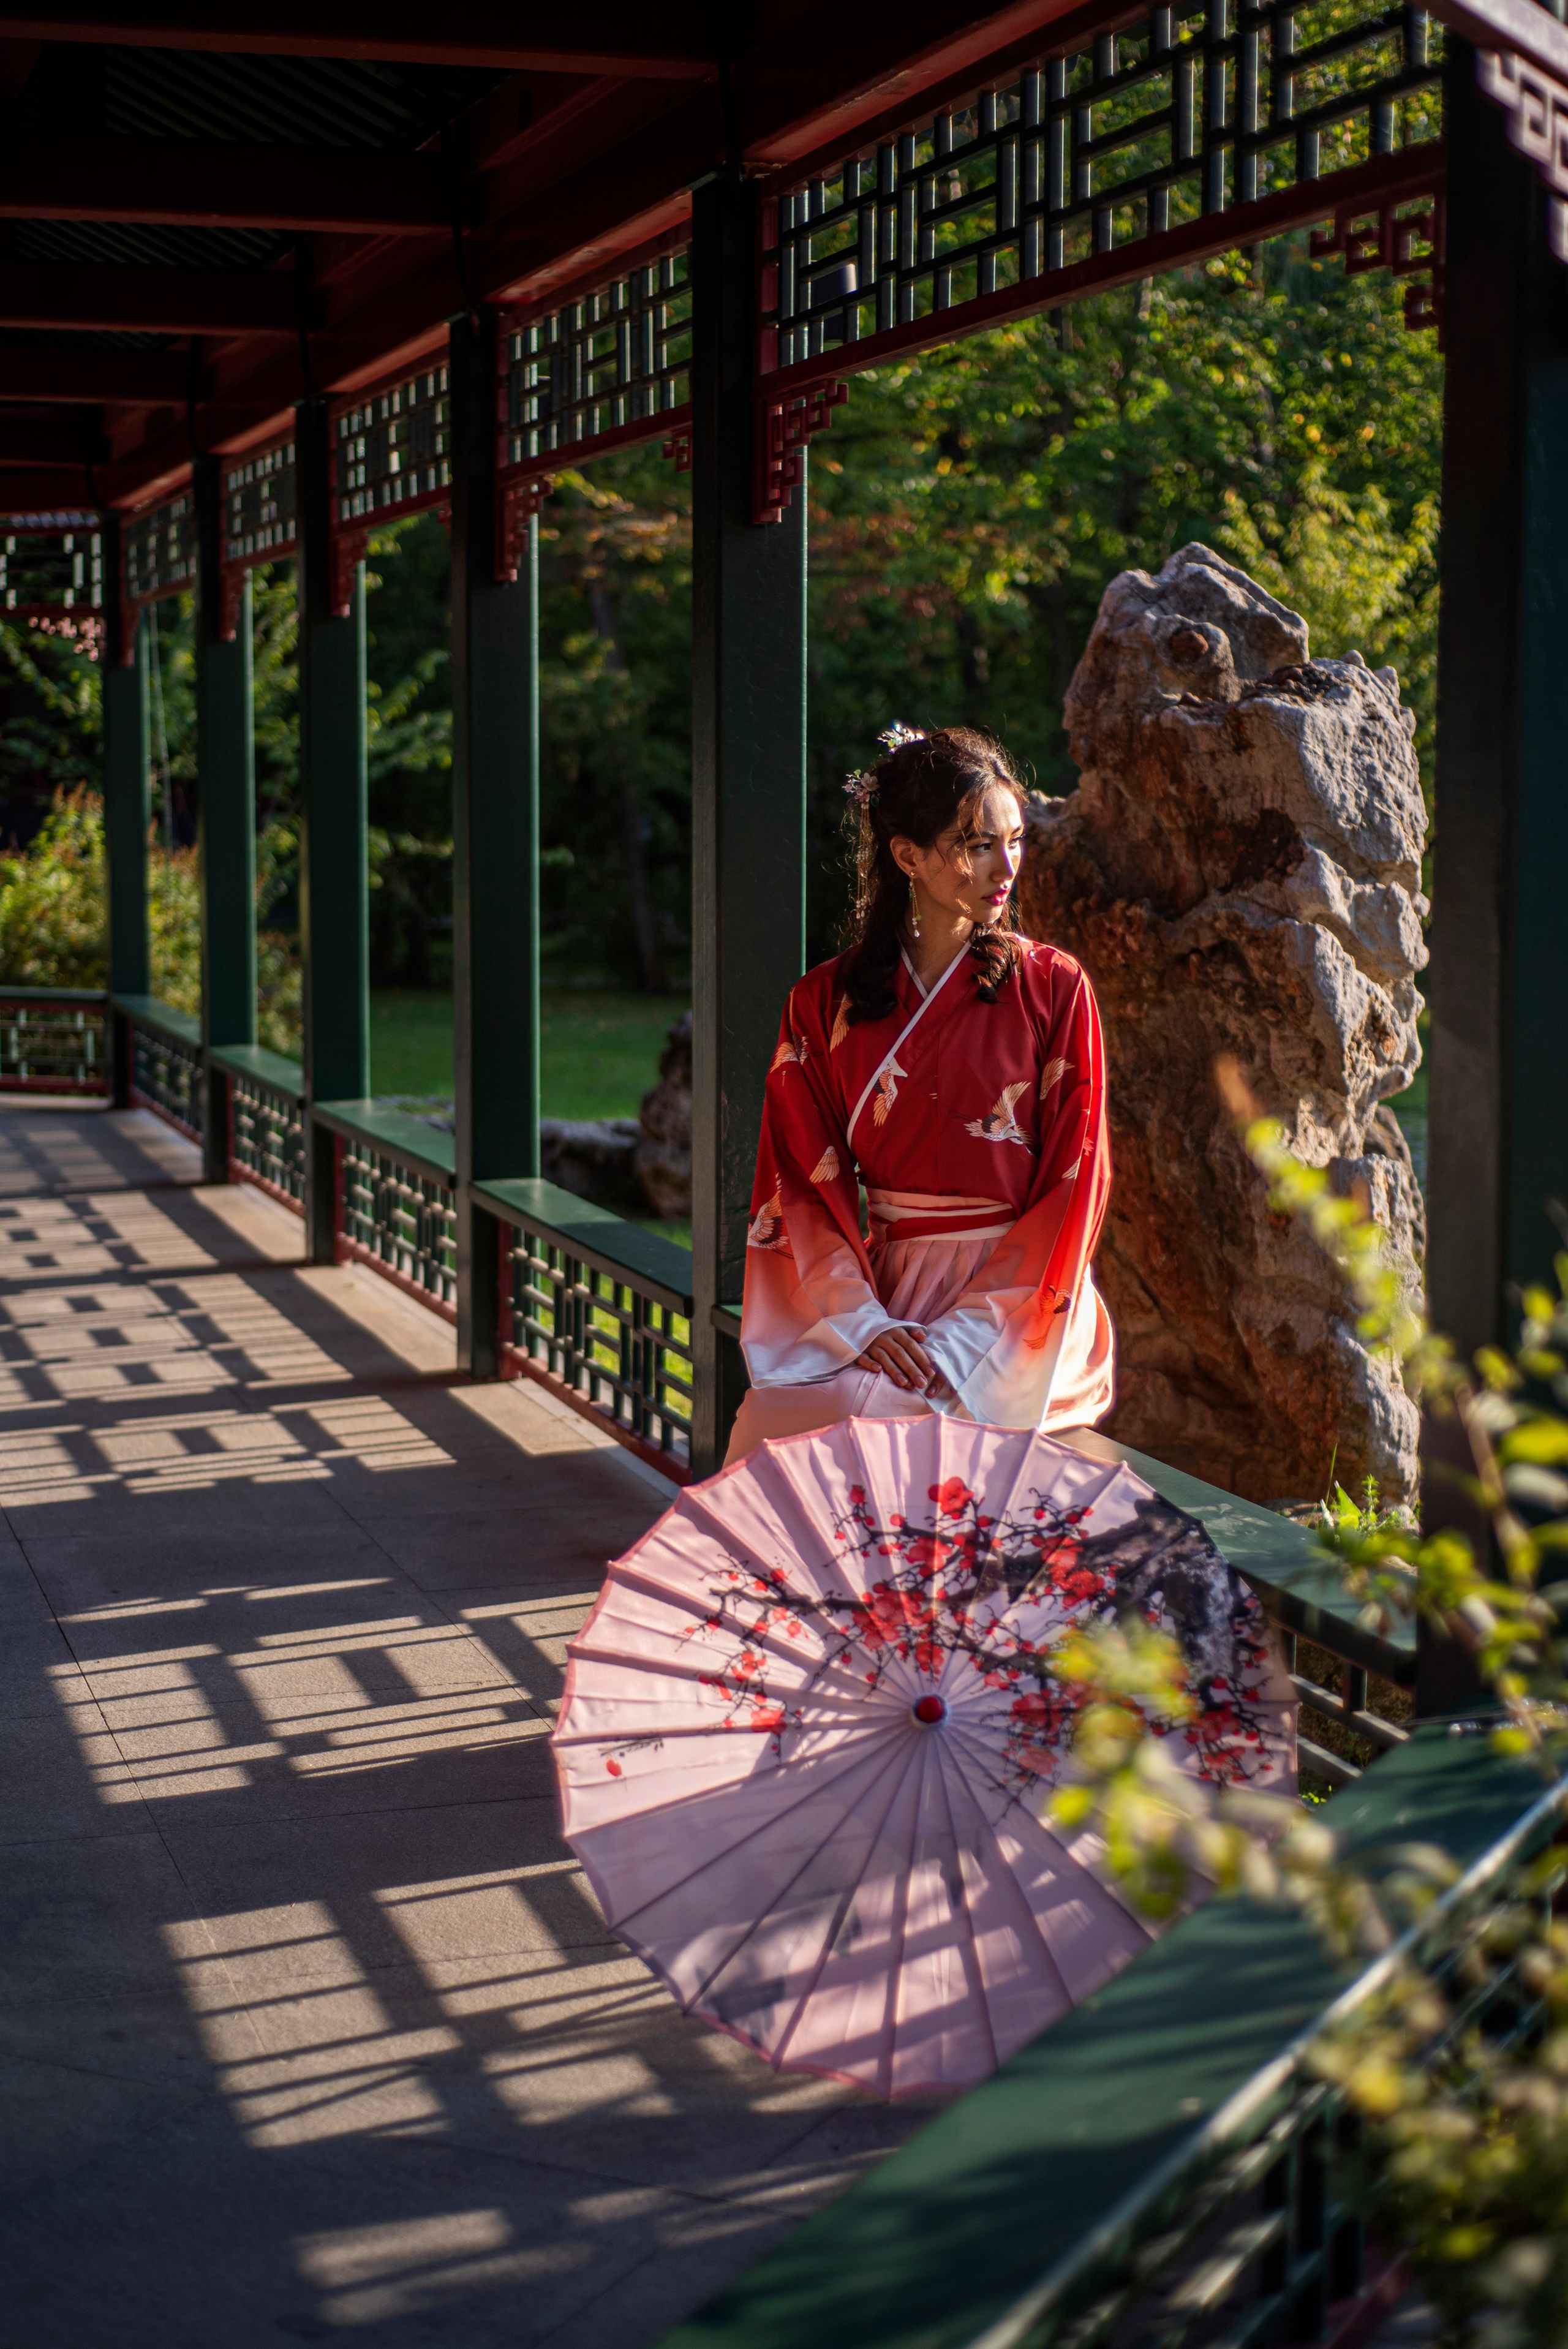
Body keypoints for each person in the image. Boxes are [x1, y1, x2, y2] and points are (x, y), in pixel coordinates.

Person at [725, 722, 1115, 1466]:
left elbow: (1077, 1177)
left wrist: (967, 1333)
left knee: (901, 1416)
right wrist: (864, 1322)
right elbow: (801, 1183)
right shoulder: (822, 1002)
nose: (1007, 867)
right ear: (907, 855)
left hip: (1022, 1303)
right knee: (786, 1420)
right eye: (977, 844)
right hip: (881, 1295)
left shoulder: (1055, 989)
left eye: (1015, 839)